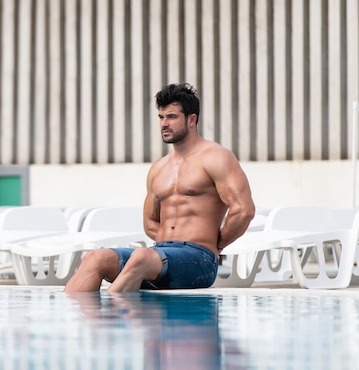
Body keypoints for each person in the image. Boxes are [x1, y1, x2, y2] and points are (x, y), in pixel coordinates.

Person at [64, 83, 255, 293]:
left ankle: (111, 319)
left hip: (198, 259)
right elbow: (149, 222)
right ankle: (71, 322)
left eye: (172, 117)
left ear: (192, 119)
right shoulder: (159, 167)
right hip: (159, 256)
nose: (164, 123)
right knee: (95, 258)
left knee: (142, 256)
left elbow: (243, 210)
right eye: (161, 117)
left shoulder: (216, 157)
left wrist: (217, 244)